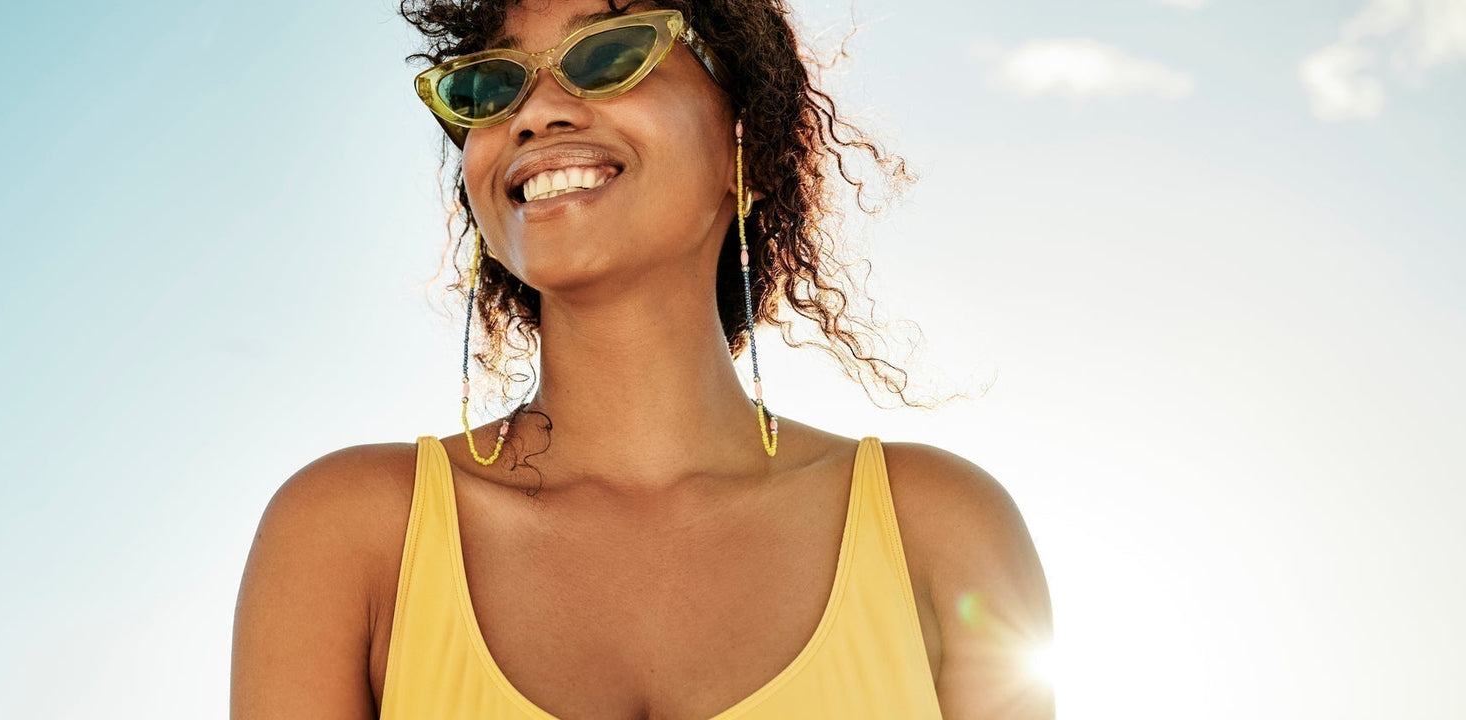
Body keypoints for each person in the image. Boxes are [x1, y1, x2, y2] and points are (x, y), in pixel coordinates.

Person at [232, 1, 1053, 717]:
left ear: (748, 143)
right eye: (490, 86)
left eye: (609, 54)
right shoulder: (345, 534)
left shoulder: (938, 528)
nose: (534, 113)